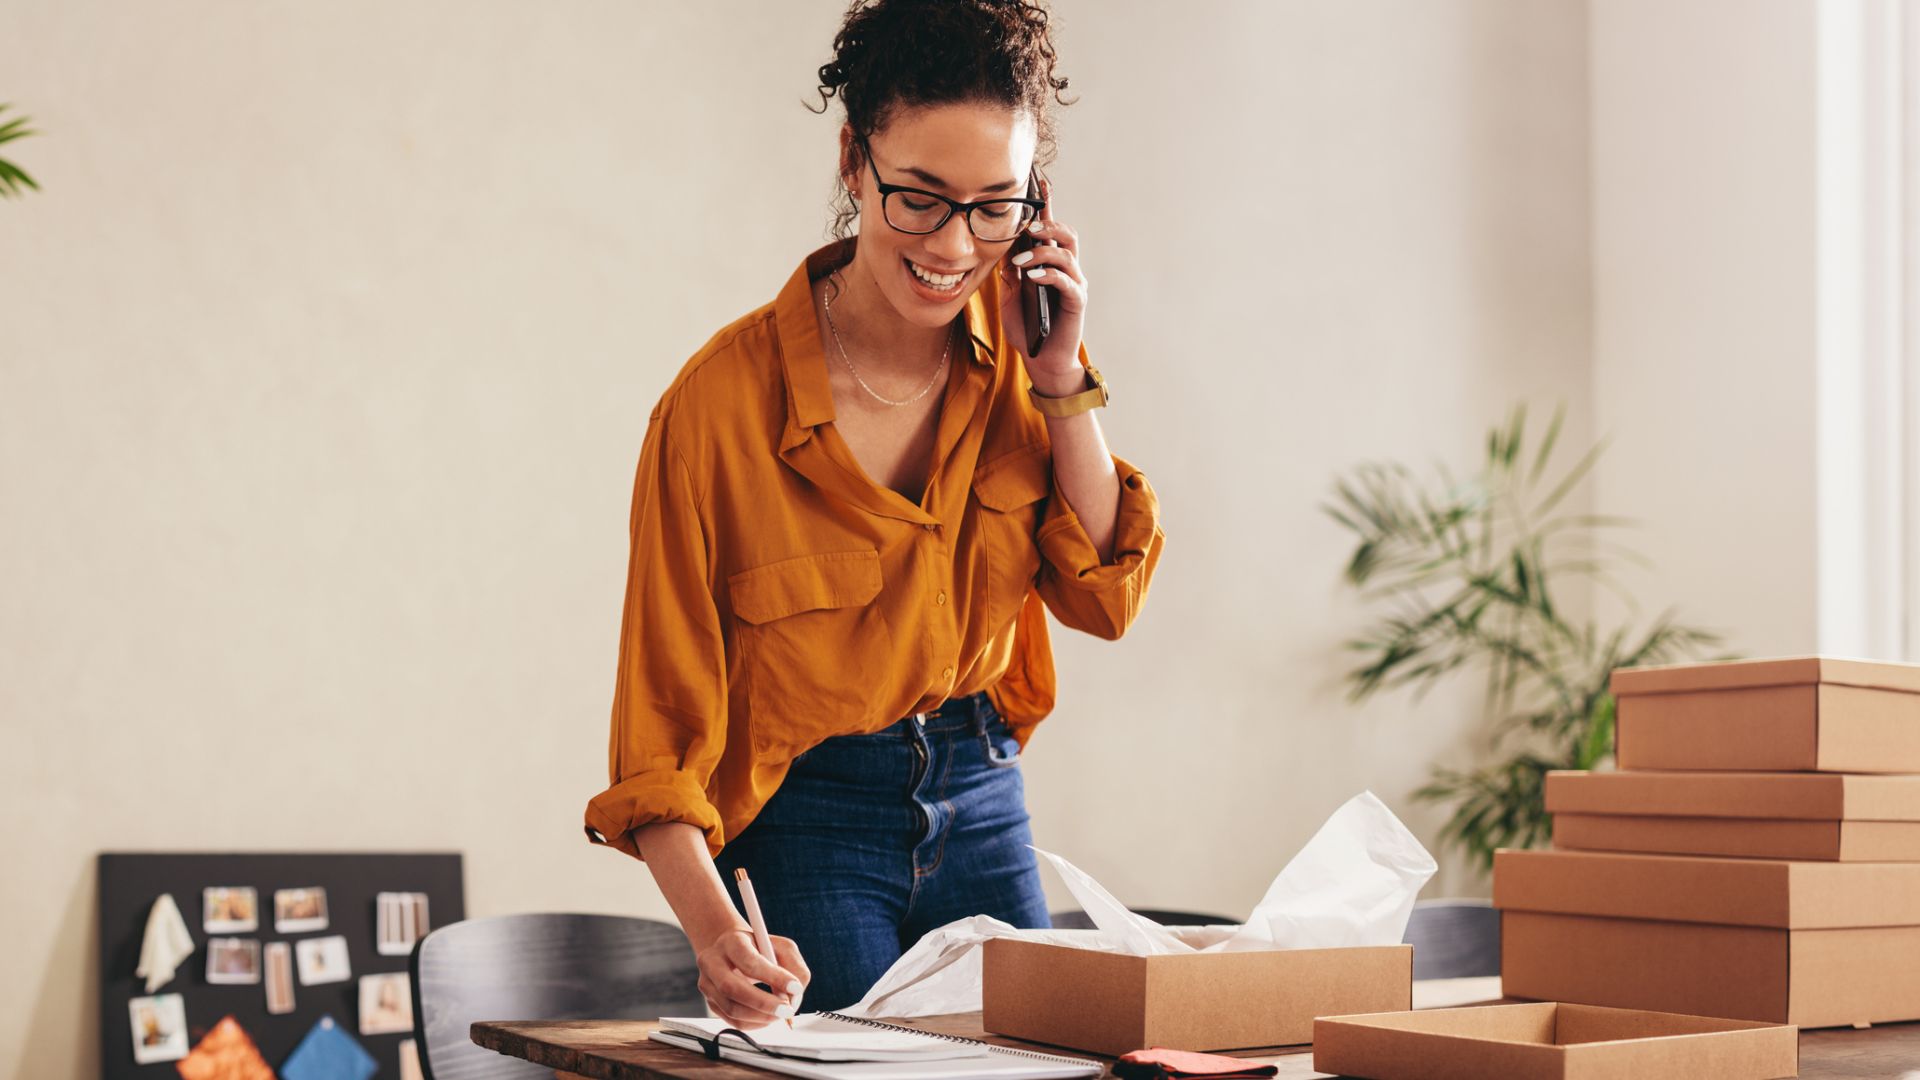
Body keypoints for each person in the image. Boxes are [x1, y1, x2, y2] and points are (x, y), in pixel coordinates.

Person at [582, 0, 1163, 1026]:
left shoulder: (1023, 359)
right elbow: (658, 738)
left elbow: (1105, 597)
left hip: (982, 790)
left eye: (996, 206)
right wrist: (718, 937)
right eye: (920, 198)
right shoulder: (717, 412)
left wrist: (1061, 378)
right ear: (854, 160)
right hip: (808, 818)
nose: (956, 244)